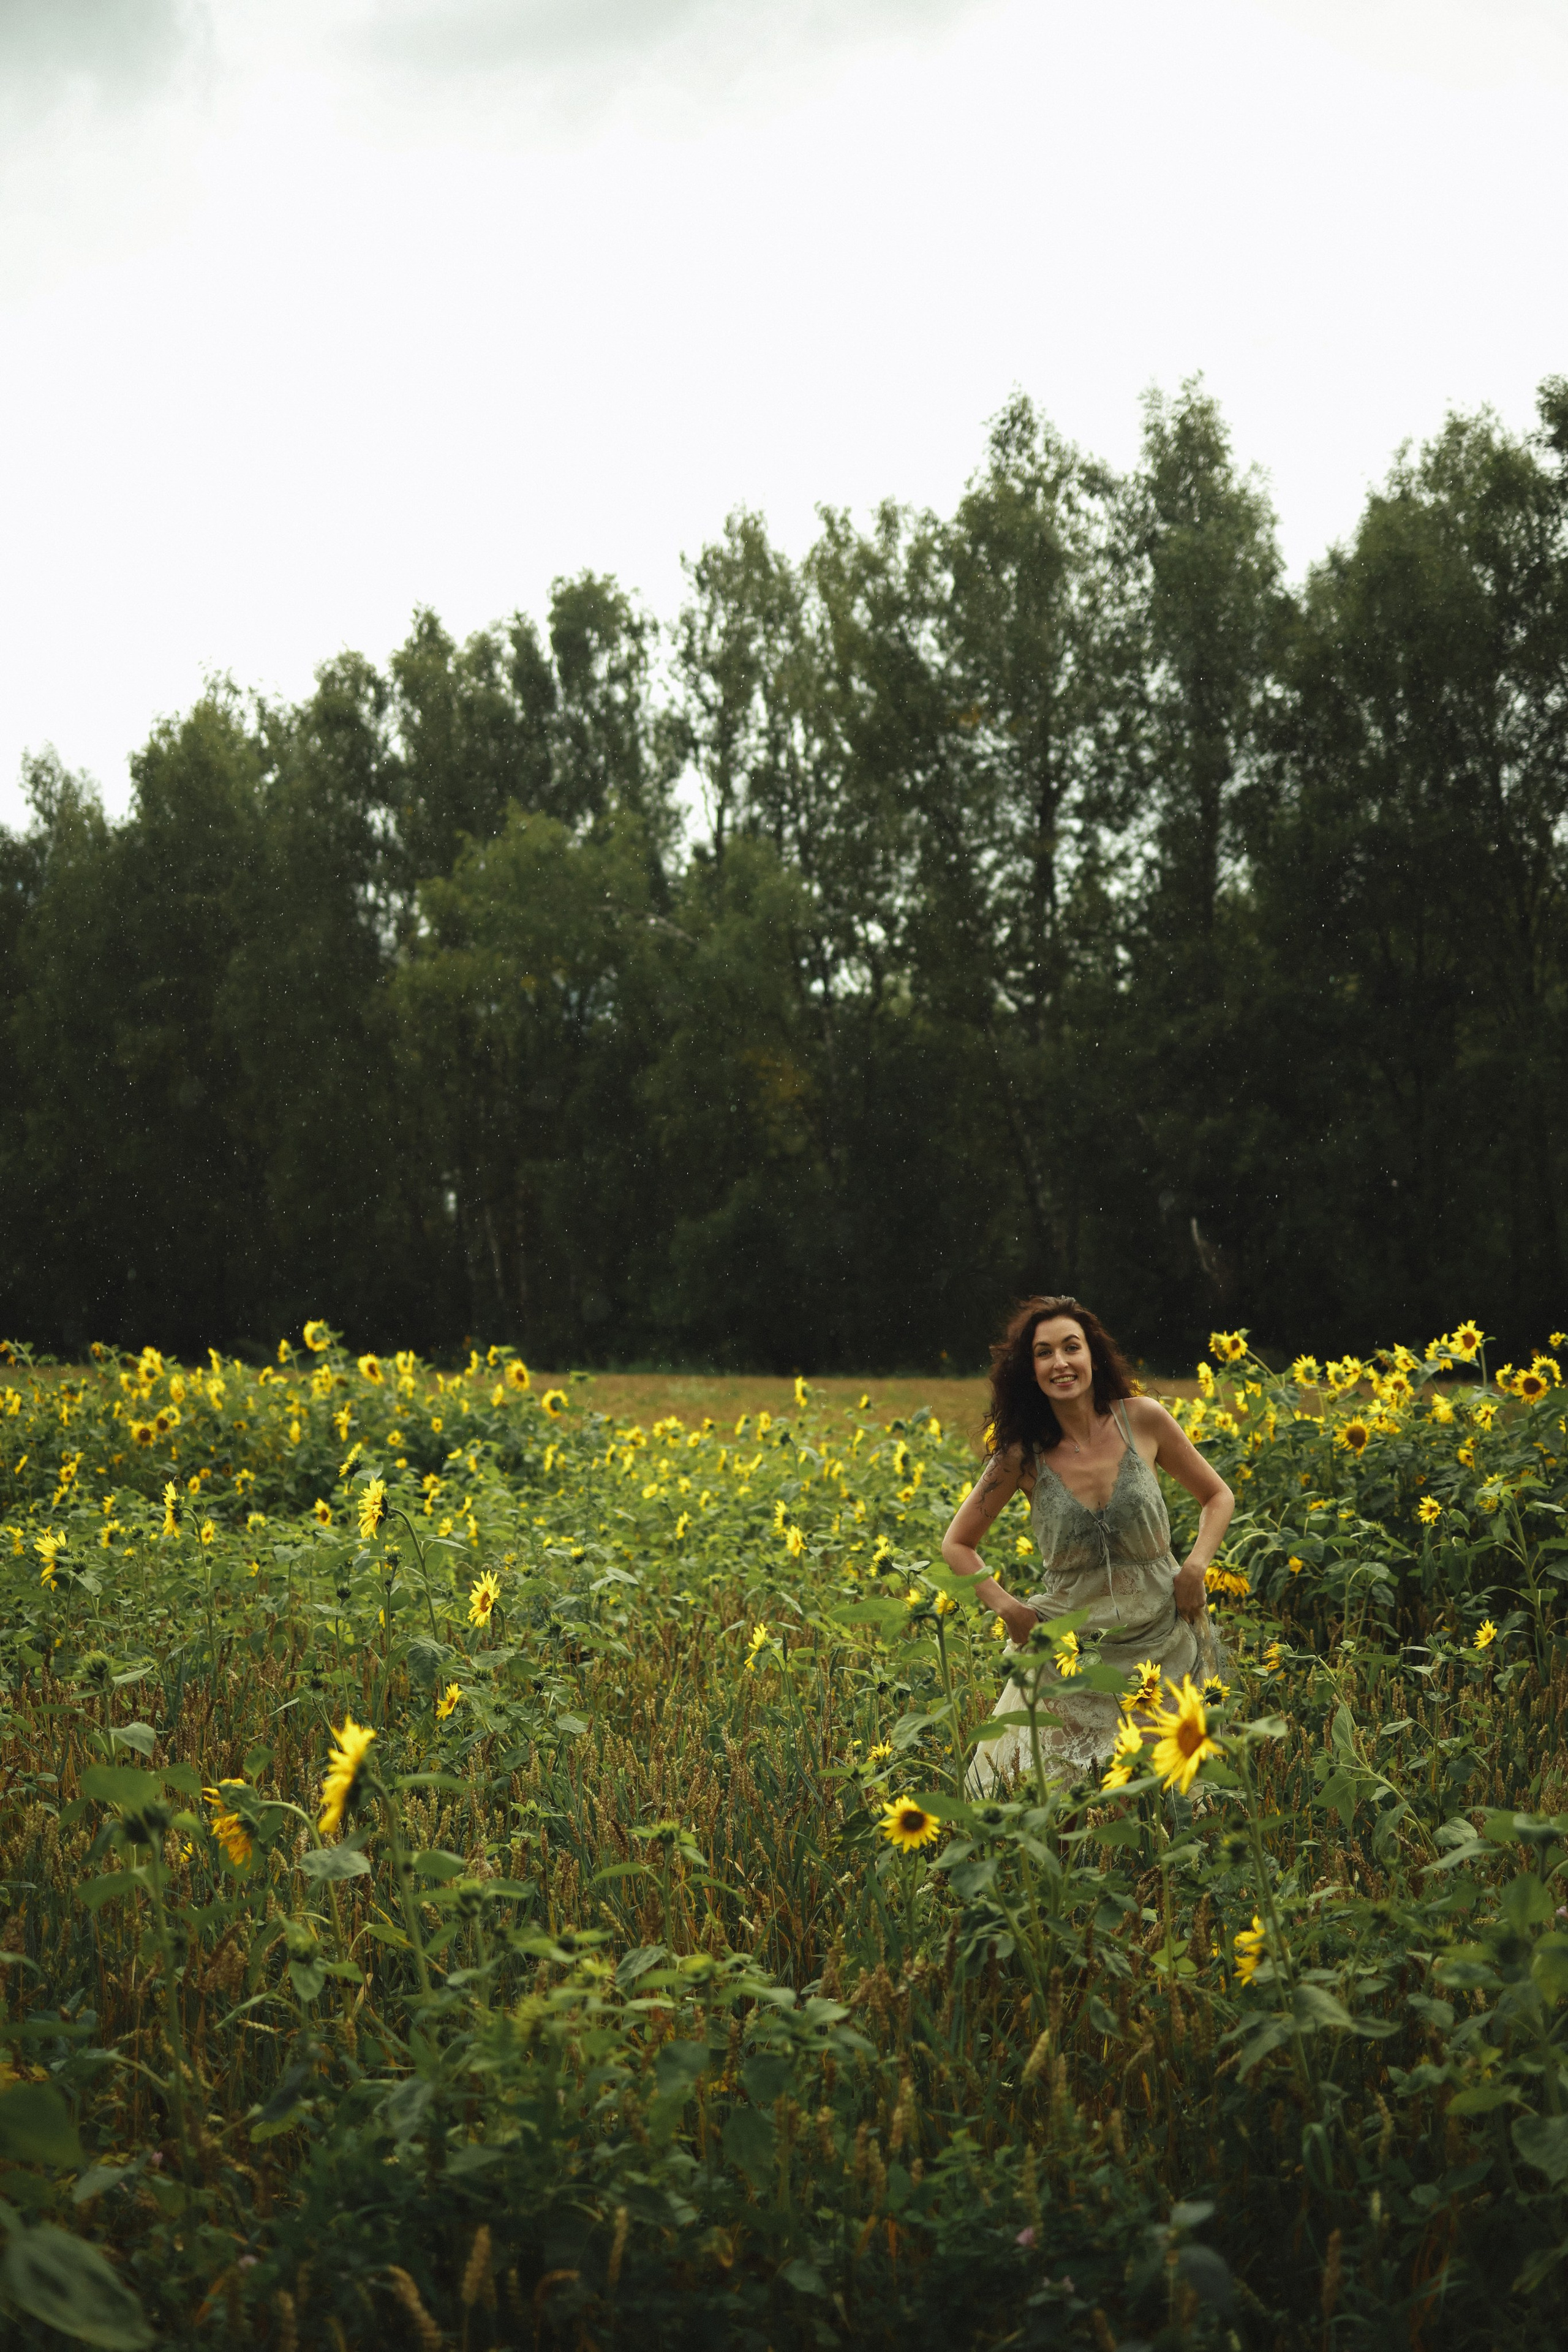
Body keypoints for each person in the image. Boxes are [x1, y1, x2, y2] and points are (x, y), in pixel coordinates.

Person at [941, 1295, 1233, 1795]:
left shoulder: (1144, 1419)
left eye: (1070, 1347)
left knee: (1173, 1793)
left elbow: (1217, 1495)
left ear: (1092, 1355)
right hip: (1072, 1652)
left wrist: (1195, 1567)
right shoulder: (1021, 1453)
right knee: (1068, 1799)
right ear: (1029, 1369)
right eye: (1044, 1353)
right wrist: (1010, 1610)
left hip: (1164, 1636)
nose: (1060, 1363)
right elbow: (958, 1544)